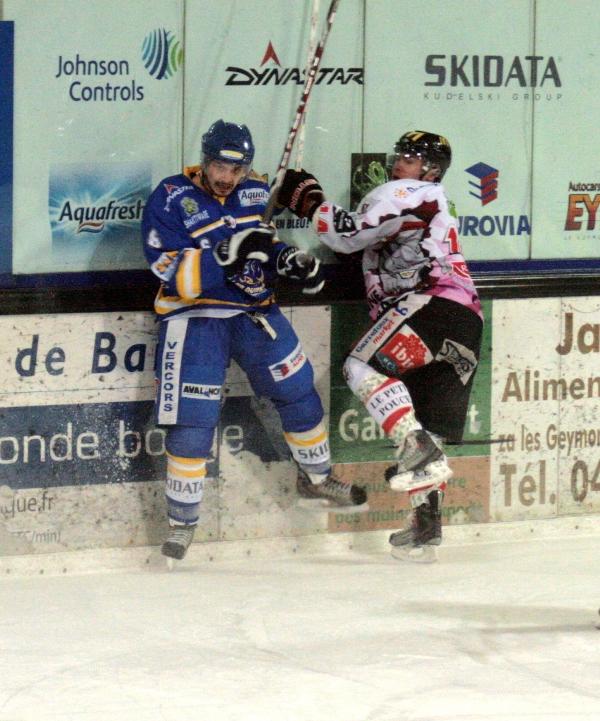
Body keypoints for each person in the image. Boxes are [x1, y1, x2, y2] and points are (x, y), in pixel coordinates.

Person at [141, 119, 368, 561]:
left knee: (298, 391)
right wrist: (227, 254)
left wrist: (290, 261)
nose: (228, 177)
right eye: (220, 167)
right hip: (196, 317)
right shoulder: (170, 196)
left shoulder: (256, 192)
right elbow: (170, 271)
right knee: (191, 423)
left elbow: (265, 248)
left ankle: (317, 479)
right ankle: (182, 522)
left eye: (237, 169)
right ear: (204, 161)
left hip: (255, 312)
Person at [276, 130, 483, 561]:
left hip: (432, 306)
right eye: (400, 154)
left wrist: (308, 200)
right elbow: (366, 249)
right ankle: (425, 524)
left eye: (411, 157)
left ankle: (415, 448)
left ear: (431, 170)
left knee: (360, 367)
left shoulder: (407, 191)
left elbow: (345, 233)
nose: (399, 162)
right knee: (425, 426)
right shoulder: (426, 208)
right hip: (463, 327)